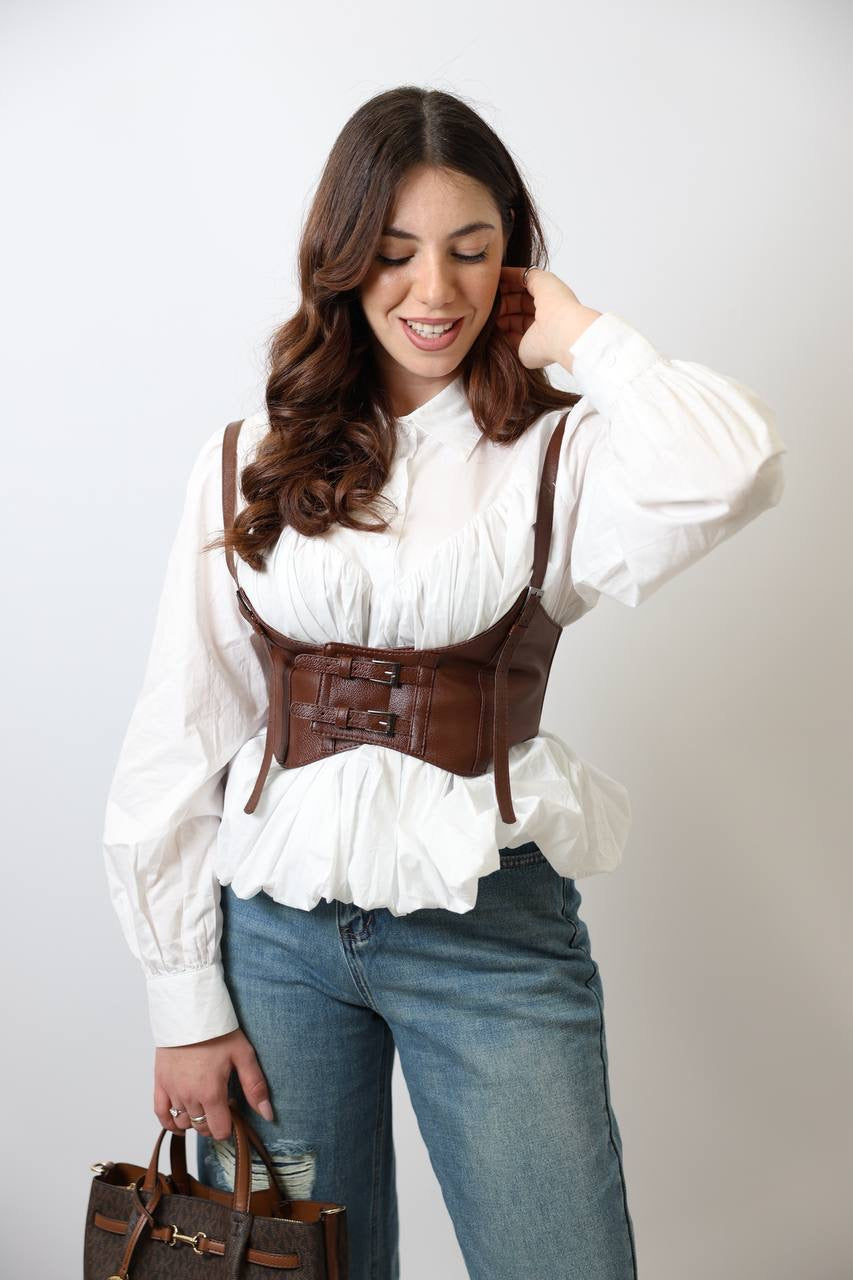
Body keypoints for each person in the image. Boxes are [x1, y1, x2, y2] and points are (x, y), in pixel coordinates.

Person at [101, 86, 787, 1280]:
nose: (434, 290)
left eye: (471, 250)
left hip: (489, 930)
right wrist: (184, 1001)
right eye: (395, 251)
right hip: (273, 942)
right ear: (342, 259)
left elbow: (735, 467)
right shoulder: (245, 458)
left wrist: (583, 332)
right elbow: (181, 726)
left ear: (511, 257)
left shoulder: (562, 456)